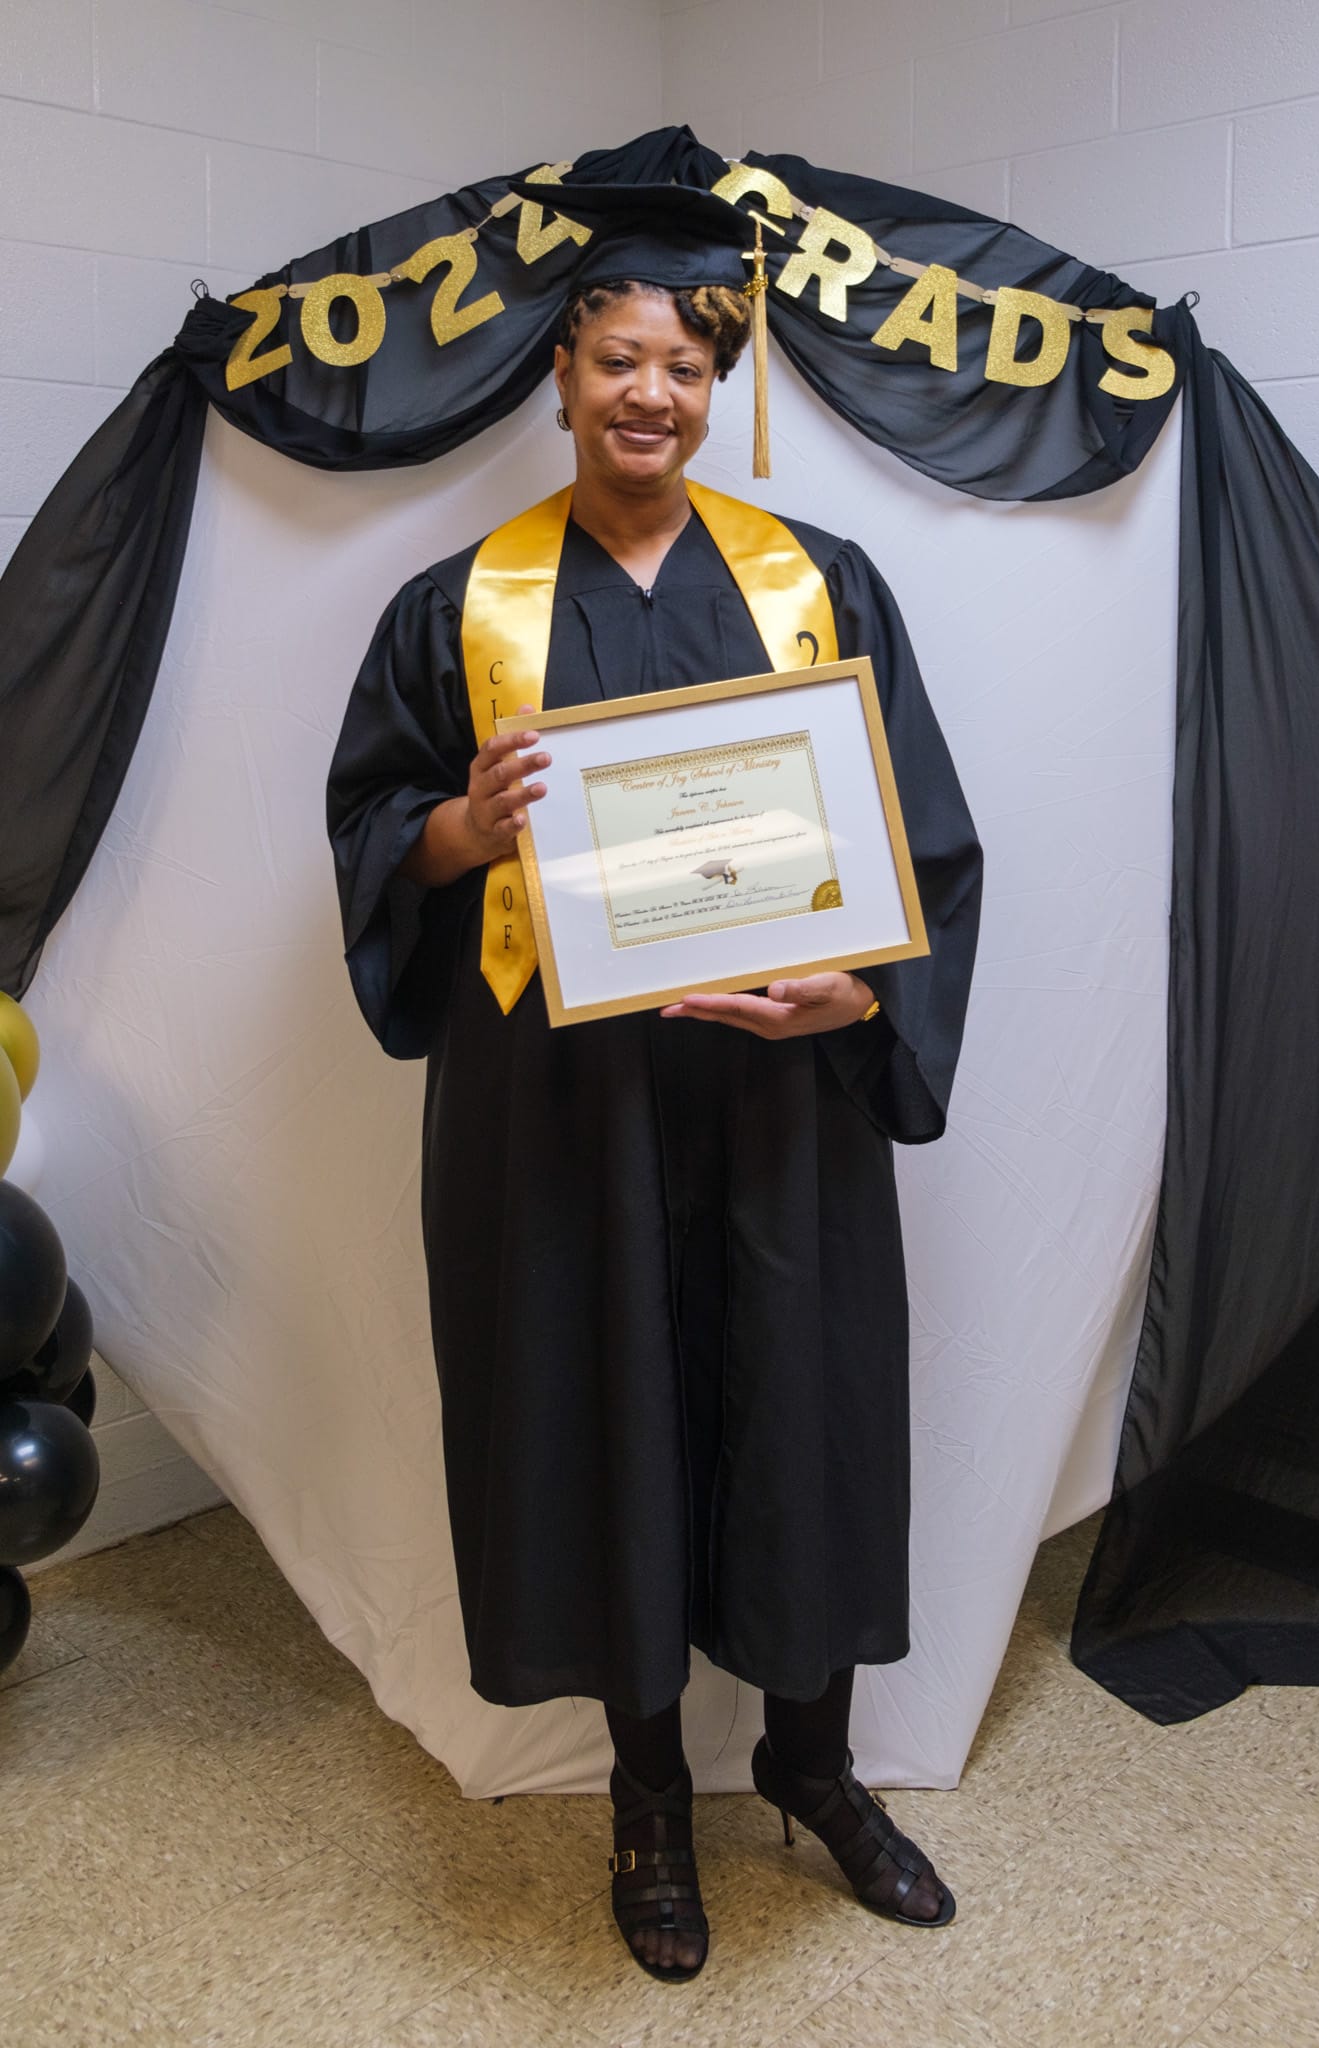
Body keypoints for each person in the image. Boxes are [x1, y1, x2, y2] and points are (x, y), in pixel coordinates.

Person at [327, 183, 982, 1983]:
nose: (650, 395)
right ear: (559, 374)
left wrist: (860, 989)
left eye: (683, 368)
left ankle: (814, 1767)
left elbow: (920, 837)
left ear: (717, 387)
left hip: (778, 1098)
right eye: (618, 359)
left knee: (800, 1405)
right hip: (563, 1108)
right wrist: (458, 829)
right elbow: (376, 823)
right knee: (592, 1403)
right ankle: (646, 1800)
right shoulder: (459, 606)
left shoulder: (814, 585)